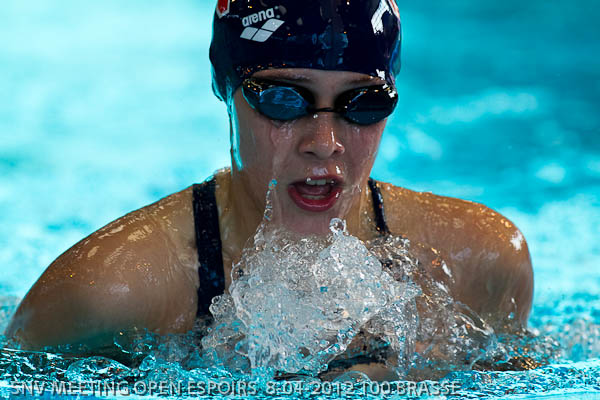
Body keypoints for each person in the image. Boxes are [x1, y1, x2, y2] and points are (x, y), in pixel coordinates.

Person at [6, 0, 533, 378]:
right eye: (283, 100)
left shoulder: (480, 260)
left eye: (363, 103)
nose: (324, 143)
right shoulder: (111, 291)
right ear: (225, 86)